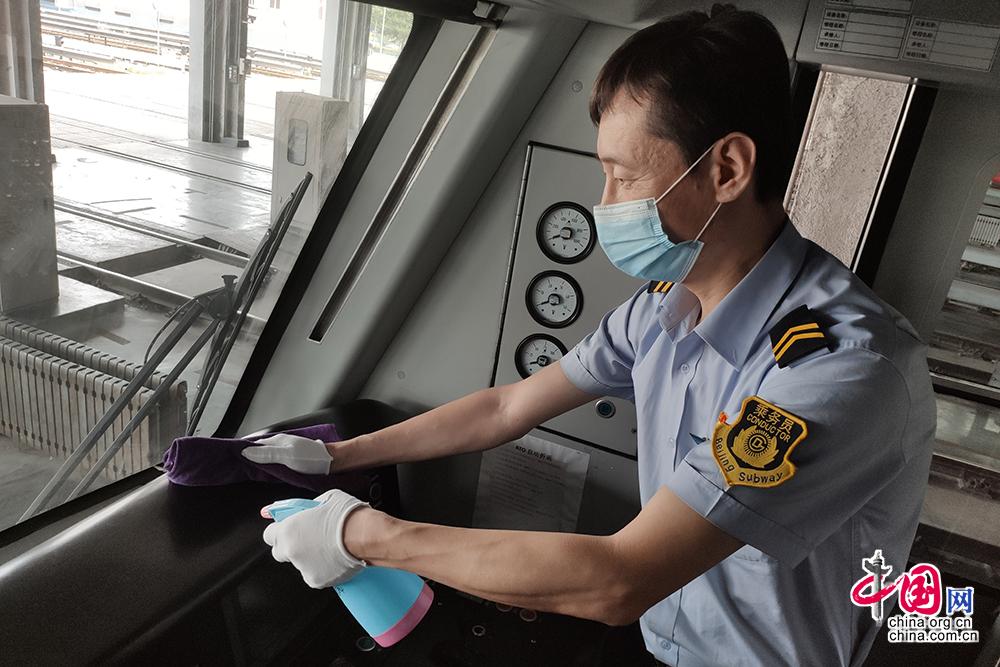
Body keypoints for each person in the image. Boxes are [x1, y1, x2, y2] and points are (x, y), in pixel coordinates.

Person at [242, 5, 936, 665]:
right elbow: (504, 408)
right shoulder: (663, 309)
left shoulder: (840, 368)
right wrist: (339, 456)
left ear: (726, 169)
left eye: (623, 177)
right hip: (657, 641)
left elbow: (620, 579)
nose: (605, 205)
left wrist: (363, 535)